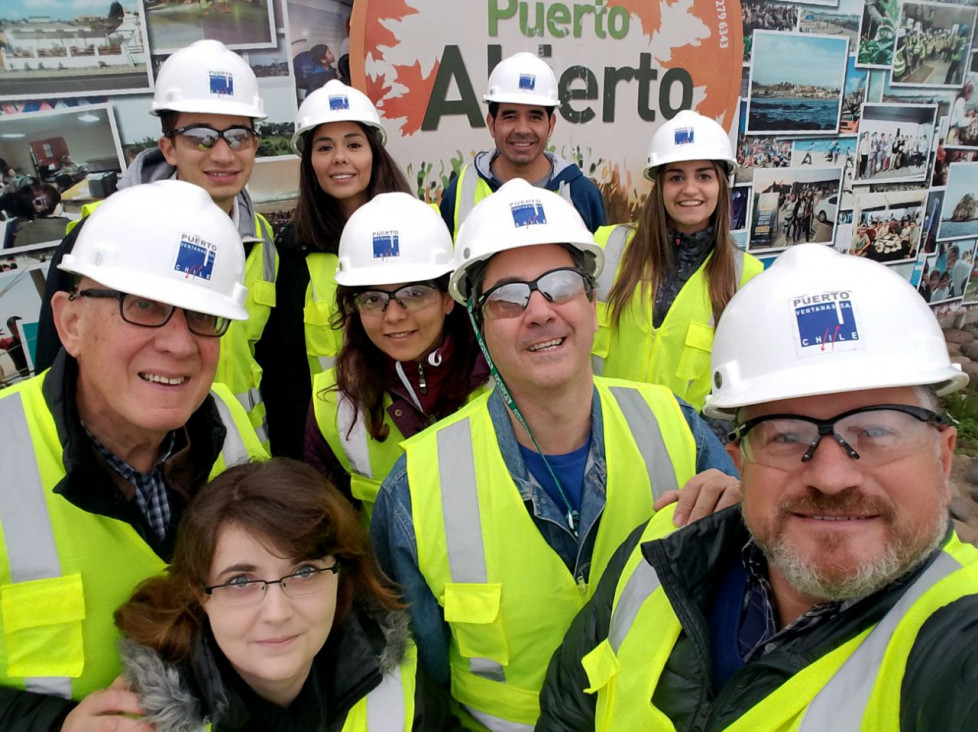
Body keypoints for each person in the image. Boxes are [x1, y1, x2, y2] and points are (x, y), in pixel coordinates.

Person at [537, 244, 978, 731]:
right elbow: (567, 713)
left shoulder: (956, 639)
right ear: (738, 464)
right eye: (786, 435)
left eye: (875, 431)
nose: (830, 477)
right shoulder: (660, 549)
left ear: (943, 453)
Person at [371, 179, 741, 730]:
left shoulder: (677, 429)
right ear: (478, 324)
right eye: (509, 298)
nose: (540, 312)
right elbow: (416, 686)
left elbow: (749, 606)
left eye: (560, 286)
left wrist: (746, 515)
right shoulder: (416, 487)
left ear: (592, 302)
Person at [0, 180, 266, 730]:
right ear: (71, 322)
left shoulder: (230, 430)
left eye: (201, 315)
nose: (178, 343)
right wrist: (51, 726)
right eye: (143, 305)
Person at [33, 39, 276, 449]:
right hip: (129, 458)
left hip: (234, 454)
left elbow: (267, 361)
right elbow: (55, 367)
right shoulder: (103, 234)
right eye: (201, 136)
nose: (223, 154)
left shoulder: (263, 239)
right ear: (169, 147)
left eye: (238, 136)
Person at [115, 458, 460, 730]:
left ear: (341, 577)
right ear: (199, 594)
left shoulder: (401, 687)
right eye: (240, 582)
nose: (277, 612)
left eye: (304, 572)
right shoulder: (138, 723)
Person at [306, 193, 487, 515]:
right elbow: (330, 532)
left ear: (448, 299)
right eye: (373, 299)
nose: (393, 316)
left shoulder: (501, 381)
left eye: (414, 294)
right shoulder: (330, 403)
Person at [259, 79, 412, 459]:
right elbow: (285, 375)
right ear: (310, 162)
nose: (339, 158)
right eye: (324, 147)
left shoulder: (415, 233)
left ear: (374, 153)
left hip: (414, 433)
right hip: (329, 446)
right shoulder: (292, 255)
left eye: (353, 144)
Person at [592, 110, 763, 417]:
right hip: (599, 438)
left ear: (722, 185)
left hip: (682, 453)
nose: (690, 189)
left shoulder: (746, 278)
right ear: (659, 186)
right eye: (676, 177)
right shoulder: (607, 247)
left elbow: (739, 395)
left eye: (704, 175)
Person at [439, 52, 606, 238]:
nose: (522, 129)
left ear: (551, 125)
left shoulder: (582, 195)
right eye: (510, 117)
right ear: (491, 124)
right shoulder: (460, 192)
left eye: (535, 116)